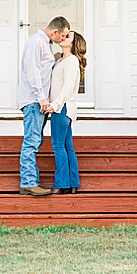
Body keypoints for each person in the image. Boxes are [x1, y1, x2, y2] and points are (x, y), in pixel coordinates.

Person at [17, 15, 70, 195]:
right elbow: (32, 72)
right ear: (55, 32)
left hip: (39, 101)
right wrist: (42, 98)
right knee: (31, 141)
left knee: (36, 140)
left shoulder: (45, 44)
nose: (62, 40)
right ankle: (28, 182)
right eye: (62, 36)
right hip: (34, 100)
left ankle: (30, 181)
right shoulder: (36, 43)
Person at [46, 31, 85, 193]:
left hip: (62, 108)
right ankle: (72, 183)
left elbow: (67, 87)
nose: (63, 37)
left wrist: (54, 104)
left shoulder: (71, 61)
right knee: (67, 146)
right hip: (64, 108)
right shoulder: (62, 60)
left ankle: (61, 184)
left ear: (74, 44)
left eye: (67, 37)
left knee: (58, 146)